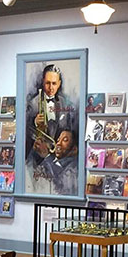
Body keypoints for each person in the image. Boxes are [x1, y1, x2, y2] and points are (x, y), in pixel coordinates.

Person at [25, 64, 77, 193]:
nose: (51, 87)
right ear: (43, 82)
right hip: (38, 159)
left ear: (59, 83)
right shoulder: (32, 103)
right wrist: (34, 122)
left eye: (54, 83)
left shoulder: (64, 103)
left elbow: (69, 130)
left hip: (60, 160)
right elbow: (24, 130)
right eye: (48, 83)